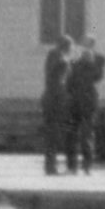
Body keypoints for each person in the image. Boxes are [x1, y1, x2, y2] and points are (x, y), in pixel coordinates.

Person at [66, 39, 105, 173]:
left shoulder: (76, 65)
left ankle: (74, 166)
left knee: (76, 134)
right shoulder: (93, 65)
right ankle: (86, 165)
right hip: (87, 102)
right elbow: (98, 74)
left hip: (77, 102)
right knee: (85, 135)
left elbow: (69, 85)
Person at [40, 32, 75, 175]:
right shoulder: (58, 56)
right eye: (71, 46)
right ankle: (50, 166)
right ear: (65, 46)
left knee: (53, 133)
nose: (72, 49)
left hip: (53, 98)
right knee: (53, 133)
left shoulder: (56, 55)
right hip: (54, 99)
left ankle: (51, 165)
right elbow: (56, 76)